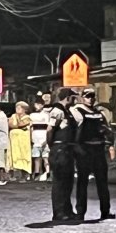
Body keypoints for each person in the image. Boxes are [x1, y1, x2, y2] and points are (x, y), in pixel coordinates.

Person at [72, 88, 114, 222]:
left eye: (92, 97)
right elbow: (74, 131)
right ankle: (80, 212)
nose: (90, 99)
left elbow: (107, 129)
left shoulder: (99, 113)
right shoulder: (77, 111)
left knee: (102, 183)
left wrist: (111, 144)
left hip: (99, 149)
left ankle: (105, 211)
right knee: (82, 183)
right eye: (88, 96)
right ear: (82, 97)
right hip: (85, 149)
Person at [46, 88, 80, 224]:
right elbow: (50, 130)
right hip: (60, 149)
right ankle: (59, 212)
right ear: (67, 97)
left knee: (68, 182)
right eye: (73, 97)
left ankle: (67, 210)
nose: (75, 100)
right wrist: (52, 146)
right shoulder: (57, 111)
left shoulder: (68, 111)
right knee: (60, 182)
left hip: (68, 149)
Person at [6, 101, 33, 183]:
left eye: (19, 108)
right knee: (12, 156)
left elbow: (22, 124)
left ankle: (23, 176)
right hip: (13, 140)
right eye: (16, 108)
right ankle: (12, 175)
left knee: (23, 155)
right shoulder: (13, 116)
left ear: (24, 109)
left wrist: (17, 126)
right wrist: (17, 126)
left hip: (23, 141)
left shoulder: (27, 117)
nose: (17, 109)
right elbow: (10, 124)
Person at [29, 98, 50, 181]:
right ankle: (37, 172)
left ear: (42, 105)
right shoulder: (32, 115)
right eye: (35, 104)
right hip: (35, 138)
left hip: (44, 137)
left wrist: (47, 139)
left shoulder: (46, 114)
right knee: (36, 157)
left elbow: (48, 127)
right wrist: (31, 138)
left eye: (38, 104)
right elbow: (30, 127)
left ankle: (48, 172)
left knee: (46, 157)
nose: (36, 106)